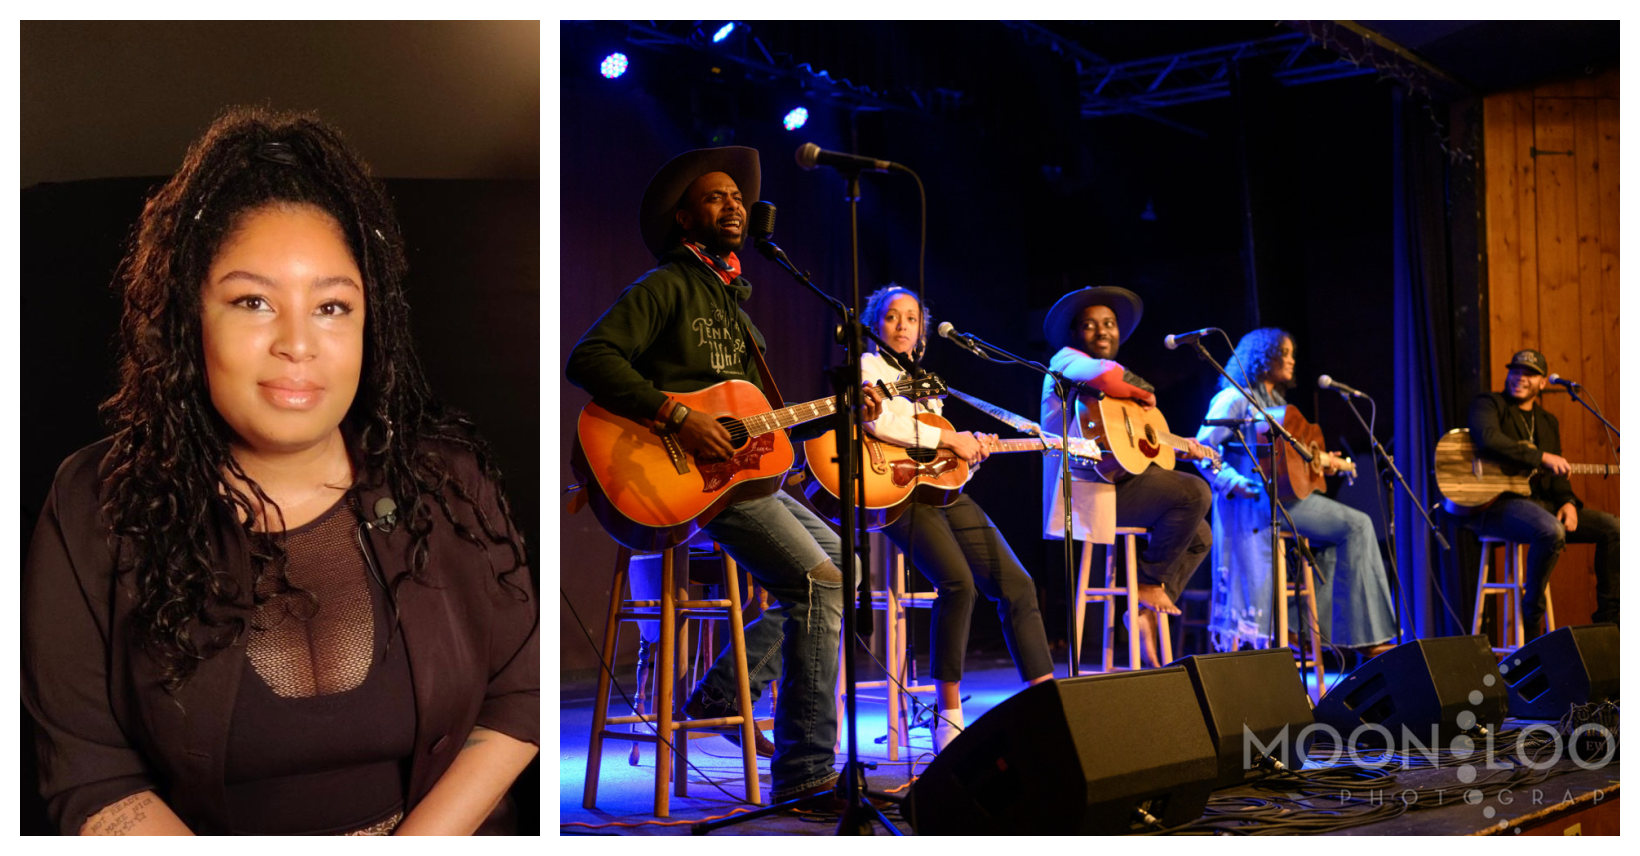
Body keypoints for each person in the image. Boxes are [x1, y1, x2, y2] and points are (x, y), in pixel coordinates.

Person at [21, 108, 539, 836]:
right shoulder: (93, 505)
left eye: (331, 306)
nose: (298, 343)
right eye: (253, 301)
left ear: (370, 325)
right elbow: (89, 772)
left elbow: (521, 692)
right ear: (187, 317)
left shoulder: (445, 480)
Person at [565, 146, 884, 805]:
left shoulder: (739, 314)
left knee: (846, 571)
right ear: (685, 219)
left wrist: (843, 410)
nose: (733, 203)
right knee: (822, 583)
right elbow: (589, 357)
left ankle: (716, 692)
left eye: (738, 196)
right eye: (716, 196)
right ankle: (805, 773)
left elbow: (759, 420)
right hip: (683, 476)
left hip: (739, 477)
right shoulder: (666, 286)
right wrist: (678, 416)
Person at [851, 284, 1054, 751]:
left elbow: (938, 454)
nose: (902, 326)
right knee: (958, 583)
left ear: (923, 329)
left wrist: (971, 453)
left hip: (939, 494)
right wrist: (950, 440)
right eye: (891, 317)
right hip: (894, 495)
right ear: (873, 324)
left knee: (1017, 584)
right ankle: (949, 715)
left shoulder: (926, 381)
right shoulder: (866, 368)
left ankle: (1046, 703)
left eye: (911, 318)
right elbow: (878, 423)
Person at [1193, 328, 1398, 655]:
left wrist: (1319, 465)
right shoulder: (1234, 397)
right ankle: (1363, 639)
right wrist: (1232, 480)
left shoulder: (1278, 405)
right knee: (1357, 526)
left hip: (1283, 500)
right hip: (1255, 504)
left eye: (1292, 353)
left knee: (1347, 534)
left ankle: (1303, 625)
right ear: (1262, 356)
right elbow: (1202, 449)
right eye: (1283, 353)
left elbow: (1289, 463)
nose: (1291, 361)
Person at [1041, 287, 1214, 667]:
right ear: (1074, 335)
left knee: (1201, 536)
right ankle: (1149, 585)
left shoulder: (1123, 390)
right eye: (1089, 326)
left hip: (1117, 485)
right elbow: (1105, 377)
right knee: (1195, 491)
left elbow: (1142, 448)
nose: (1102, 331)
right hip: (1083, 491)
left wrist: (1175, 443)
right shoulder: (1065, 360)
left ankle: (1143, 611)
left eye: (1109, 324)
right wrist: (1142, 394)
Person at [1464, 348, 1619, 637]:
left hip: (1541, 504)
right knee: (1550, 531)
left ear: (1543, 383)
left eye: (1529, 374)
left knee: (1613, 528)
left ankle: (1611, 624)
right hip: (1498, 504)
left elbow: (1556, 473)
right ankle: (1532, 612)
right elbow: (1487, 439)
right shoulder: (1489, 404)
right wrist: (1539, 457)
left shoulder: (1547, 421)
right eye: (1515, 371)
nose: (1520, 378)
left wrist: (1569, 502)